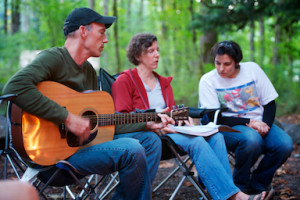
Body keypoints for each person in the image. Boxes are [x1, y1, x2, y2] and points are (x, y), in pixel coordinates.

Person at [2, 8, 174, 200]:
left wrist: (144, 122)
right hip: (52, 158)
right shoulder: (55, 58)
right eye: (101, 32)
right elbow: (15, 86)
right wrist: (67, 118)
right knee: (131, 149)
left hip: (84, 150)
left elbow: (100, 124)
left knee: (150, 141)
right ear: (83, 31)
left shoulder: (89, 71)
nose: (106, 40)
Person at [111, 33, 266, 200]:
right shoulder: (124, 81)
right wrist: (152, 122)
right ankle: (233, 196)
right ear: (137, 55)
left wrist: (182, 116)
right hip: (148, 136)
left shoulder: (163, 83)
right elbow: (123, 118)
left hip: (171, 130)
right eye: (150, 51)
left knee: (216, 136)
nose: (157, 54)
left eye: (157, 50)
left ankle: (221, 192)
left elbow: (169, 111)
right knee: (197, 141)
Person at [198, 40, 293, 197]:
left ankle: (258, 185)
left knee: (284, 144)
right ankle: (239, 187)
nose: (221, 69)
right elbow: (213, 117)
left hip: (259, 121)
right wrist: (250, 122)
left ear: (236, 62)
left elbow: (269, 103)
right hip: (226, 125)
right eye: (217, 63)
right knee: (251, 140)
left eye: (227, 64)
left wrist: (265, 126)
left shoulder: (252, 70)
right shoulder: (208, 80)